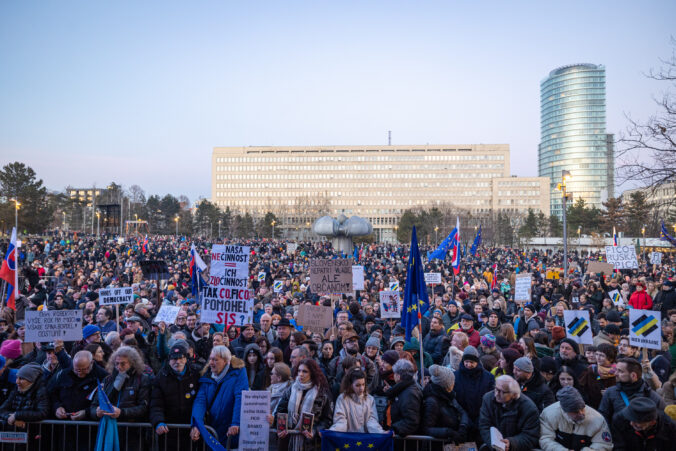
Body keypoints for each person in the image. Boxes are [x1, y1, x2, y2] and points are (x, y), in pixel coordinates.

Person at [191, 345, 249, 448]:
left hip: (230, 430)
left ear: (226, 361)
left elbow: (240, 397)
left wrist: (236, 422)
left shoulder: (238, 373)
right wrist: (197, 425)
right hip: (213, 430)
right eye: (210, 359)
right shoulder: (206, 376)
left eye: (215, 360)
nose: (211, 363)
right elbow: (200, 401)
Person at [149, 344, 201, 451]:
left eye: (181, 358)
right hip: (168, 430)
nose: (177, 362)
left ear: (186, 359)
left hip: (190, 428)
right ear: (169, 360)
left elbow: (201, 402)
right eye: (174, 359)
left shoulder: (196, 374)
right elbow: (156, 404)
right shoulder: (161, 377)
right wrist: (158, 421)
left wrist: (198, 423)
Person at [275, 358, 333, 450]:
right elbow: (280, 410)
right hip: (288, 440)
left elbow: (327, 419)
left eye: (305, 371)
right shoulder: (291, 389)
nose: (301, 374)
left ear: (312, 373)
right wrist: (281, 426)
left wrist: (314, 431)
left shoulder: (322, 393)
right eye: (299, 371)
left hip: (310, 443)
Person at [598, 357, 666, 434]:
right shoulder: (610, 392)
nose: (615, 373)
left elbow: (663, 421)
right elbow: (603, 417)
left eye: (620, 371)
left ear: (633, 375)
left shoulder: (651, 396)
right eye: (616, 370)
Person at [539, 386, 613, 451]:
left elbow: (603, 444)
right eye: (575, 412)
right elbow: (545, 439)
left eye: (582, 408)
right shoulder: (550, 414)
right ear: (565, 411)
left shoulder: (597, 419)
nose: (581, 413)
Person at [478, 375, 540, 451]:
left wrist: (511, 443)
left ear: (514, 394)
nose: (496, 394)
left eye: (502, 392)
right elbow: (484, 425)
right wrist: (494, 444)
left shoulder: (529, 408)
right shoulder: (488, 399)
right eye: (496, 389)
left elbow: (530, 436)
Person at [90, 346, 151, 422]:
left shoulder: (142, 379)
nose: (119, 367)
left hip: (131, 428)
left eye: (123, 364)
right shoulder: (107, 379)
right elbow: (94, 405)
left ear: (132, 363)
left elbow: (144, 407)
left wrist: (122, 412)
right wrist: (96, 412)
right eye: (117, 363)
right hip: (108, 426)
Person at [422, 364, 470, 446]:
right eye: (452, 381)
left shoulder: (449, 395)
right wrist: (448, 432)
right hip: (437, 445)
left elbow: (462, 411)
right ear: (446, 384)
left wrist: (463, 426)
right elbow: (427, 428)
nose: (454, 384)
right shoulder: (432, 401)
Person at [329, 368, 384, 433]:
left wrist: (381, 432)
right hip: (348, 440)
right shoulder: (342, 399)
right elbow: (340, 421)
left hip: (365, 439)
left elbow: (372, 421)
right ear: (350, 385)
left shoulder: (370, 399)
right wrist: (331, 431)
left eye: (363, 384)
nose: (361, 388)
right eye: (357, 385)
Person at [612, 396, 676, 451]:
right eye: (630, 419)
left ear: (652, 422)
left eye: (636, 422)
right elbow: (619, 447)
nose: (631, 423)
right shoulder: (620, 421)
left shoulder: (670, 428)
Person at [385, 359, 423, 437]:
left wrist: (394, 429)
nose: (393, 376)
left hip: (406, 441)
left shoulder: (410, 394)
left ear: (398, 376)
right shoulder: (405, 389)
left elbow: (411, 421)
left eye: (394, 373)